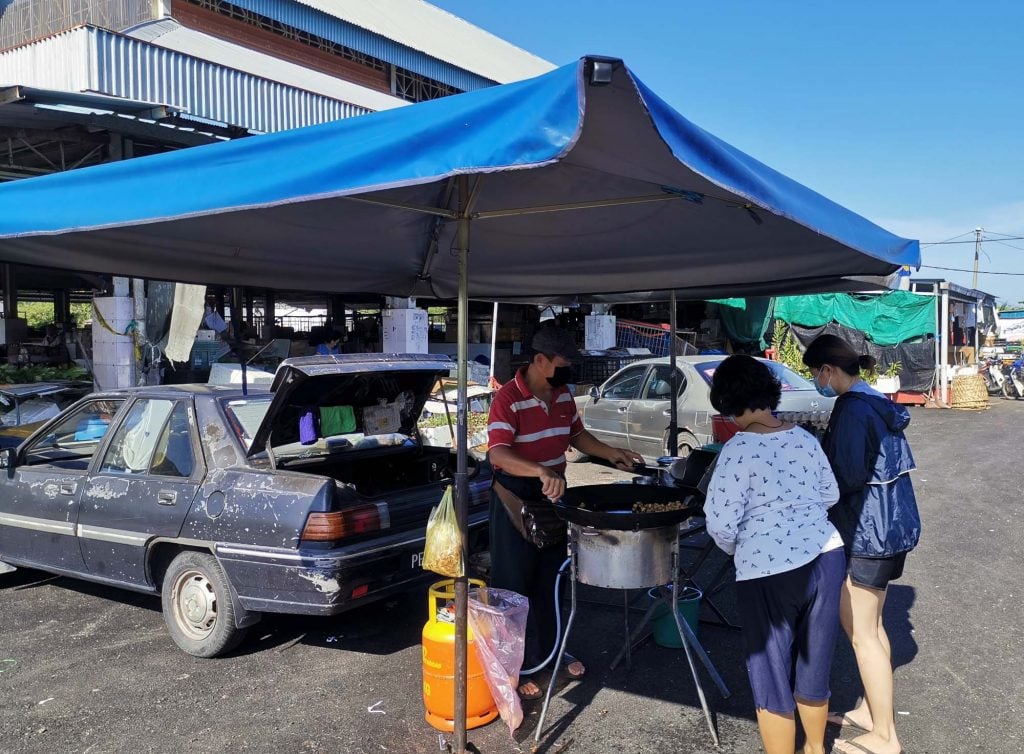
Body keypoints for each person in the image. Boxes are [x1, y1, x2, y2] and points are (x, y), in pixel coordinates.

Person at [486, 327, 643, 701]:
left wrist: (610, 452)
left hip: (553, 497)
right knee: (514, 586)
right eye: (562, 365)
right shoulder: (508, 398)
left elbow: (576, 436)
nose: (567, 373)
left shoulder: (563, 394)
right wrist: (540, 471)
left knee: (552, 580)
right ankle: (518, 665)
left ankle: (552, 653)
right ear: (539, 361)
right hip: (515, 497)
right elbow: (498, 454)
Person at [704, 355, 845, 754]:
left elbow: (720, 526)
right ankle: (816, 748)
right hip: (827, 556)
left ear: (728, 403)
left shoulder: (737, 451)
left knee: (771, 676)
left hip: (767, 570)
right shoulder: (804, 438)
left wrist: (742, 550)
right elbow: (829, 495)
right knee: (814, 663)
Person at [802, 334, 921, 754]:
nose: (816, 380)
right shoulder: (875, 400)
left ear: (828, 371)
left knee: (862, 635)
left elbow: (847, 477)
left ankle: (886, 737)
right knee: (871, 628)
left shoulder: (852, 409)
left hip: (868, 532)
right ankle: (873, 714)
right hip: (893, 528)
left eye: (815, 373)